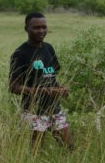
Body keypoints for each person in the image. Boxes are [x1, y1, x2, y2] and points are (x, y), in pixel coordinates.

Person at [9, 12, 75, 150]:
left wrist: (61, 88)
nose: (41, 31)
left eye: (44, 27)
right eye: (36, 27)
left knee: (69, 147)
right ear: (26, 28)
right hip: (34, 110)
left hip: (54, 107)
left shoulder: (48, 48)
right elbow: (13, 87)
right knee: (36, 150)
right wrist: (42, 91)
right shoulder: (20, 53)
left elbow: (50, 76)